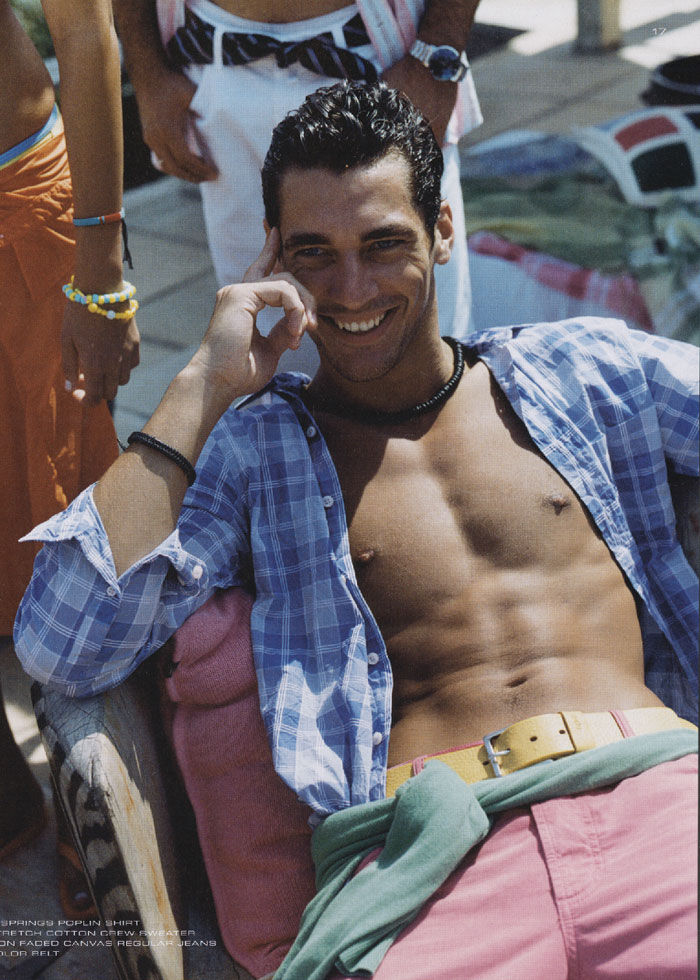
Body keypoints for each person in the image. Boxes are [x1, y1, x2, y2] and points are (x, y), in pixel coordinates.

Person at [15, 82, 698, 979]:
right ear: (273, 259)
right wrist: (202, 385)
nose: (351, 289)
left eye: (383, 245)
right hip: (427, 855)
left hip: (656, 796)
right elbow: (60, 646)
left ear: (442, 230)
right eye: (315, 254)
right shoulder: (254, 451)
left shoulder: (583, 368)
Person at [111, 0, 482, 345]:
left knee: (421, 340)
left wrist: (438, 50)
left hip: (384, 60)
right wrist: (148, 74)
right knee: (269, 339)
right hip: (215, 64)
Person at [0, 0, 140, 917]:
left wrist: (100, 271)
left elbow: (85, 32)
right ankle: (14, 807)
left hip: (16, 206)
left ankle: (116, 816)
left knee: (69, 543)